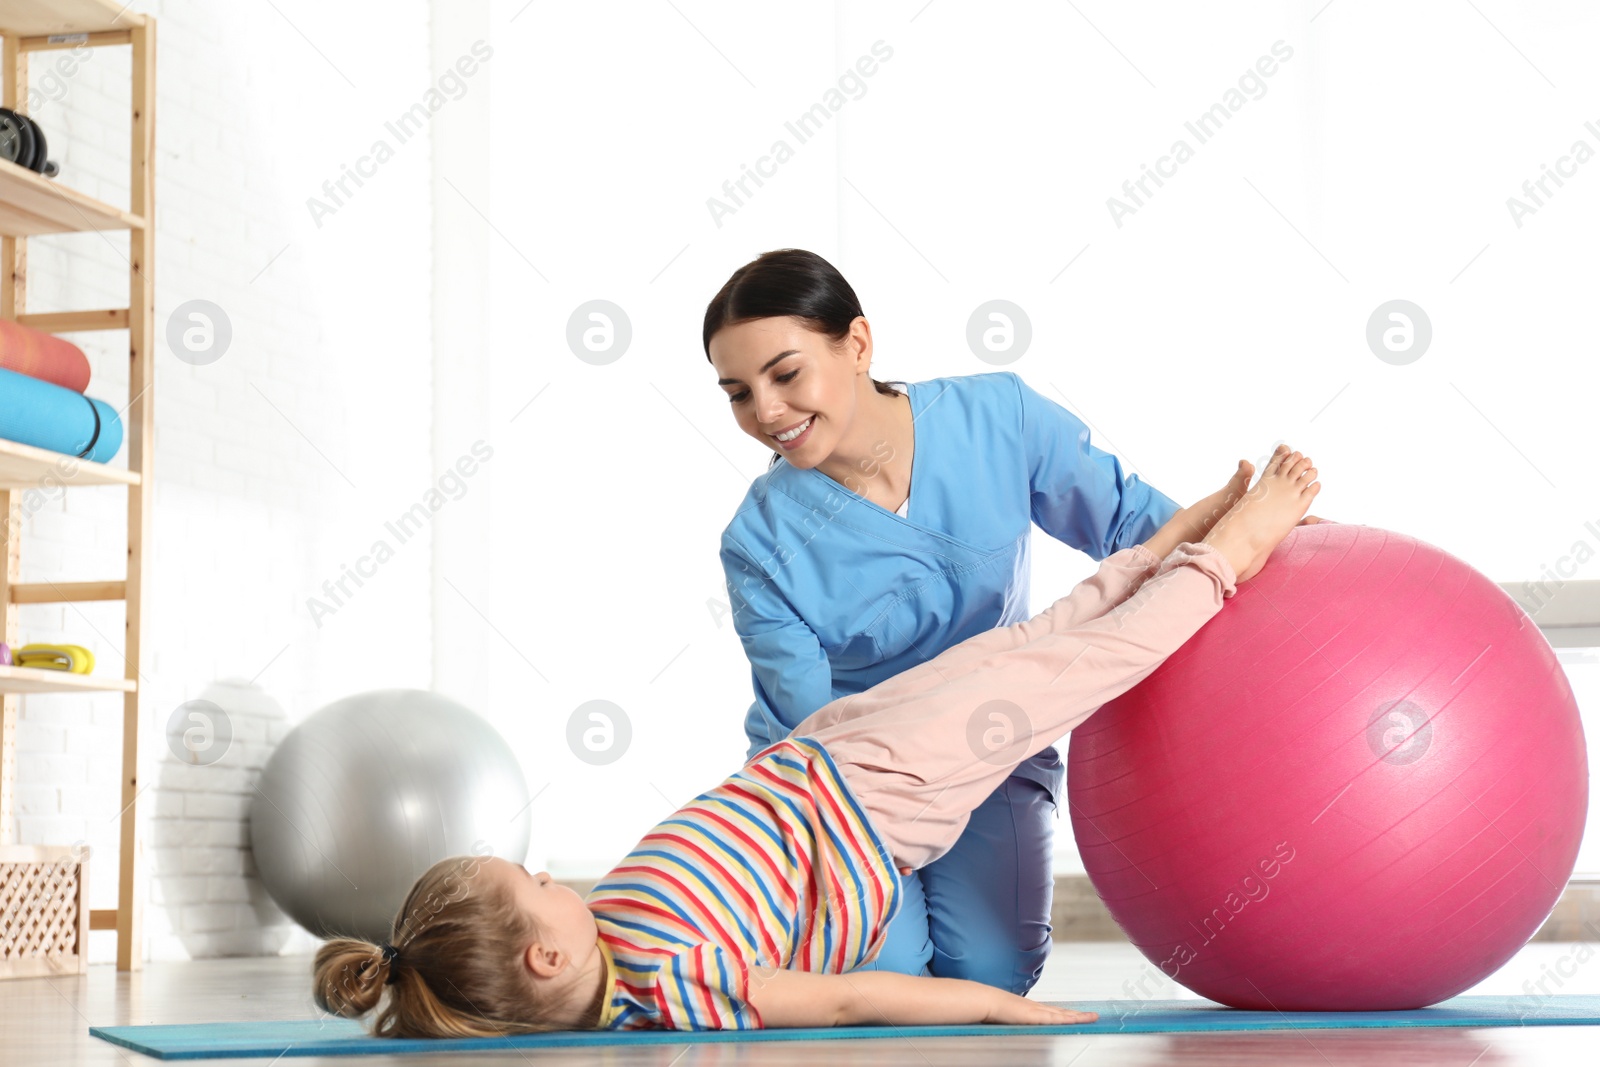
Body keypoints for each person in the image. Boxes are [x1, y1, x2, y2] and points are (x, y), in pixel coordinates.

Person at [313, 445, 1322, 1036]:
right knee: (1071, 673)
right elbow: (843, 996)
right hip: (878, 799)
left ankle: (1177, 533)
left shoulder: (608, 926)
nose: (547, 871)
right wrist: (991, 1011)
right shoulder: (670, 986)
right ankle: (1227, 551)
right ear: (544, 952)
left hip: (830, 752)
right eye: (532, 882)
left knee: (1036, 647)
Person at [704, 247, 1321, 993]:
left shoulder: (998, 416)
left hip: (995, 741)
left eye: (785, 373)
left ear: (858, 345)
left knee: (989, 976)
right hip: (849, 793)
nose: (765, 412)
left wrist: (1292, 564)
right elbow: (817, 734)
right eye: (737, 392)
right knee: (888, 982)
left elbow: (1136, 526)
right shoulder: (759, 543)